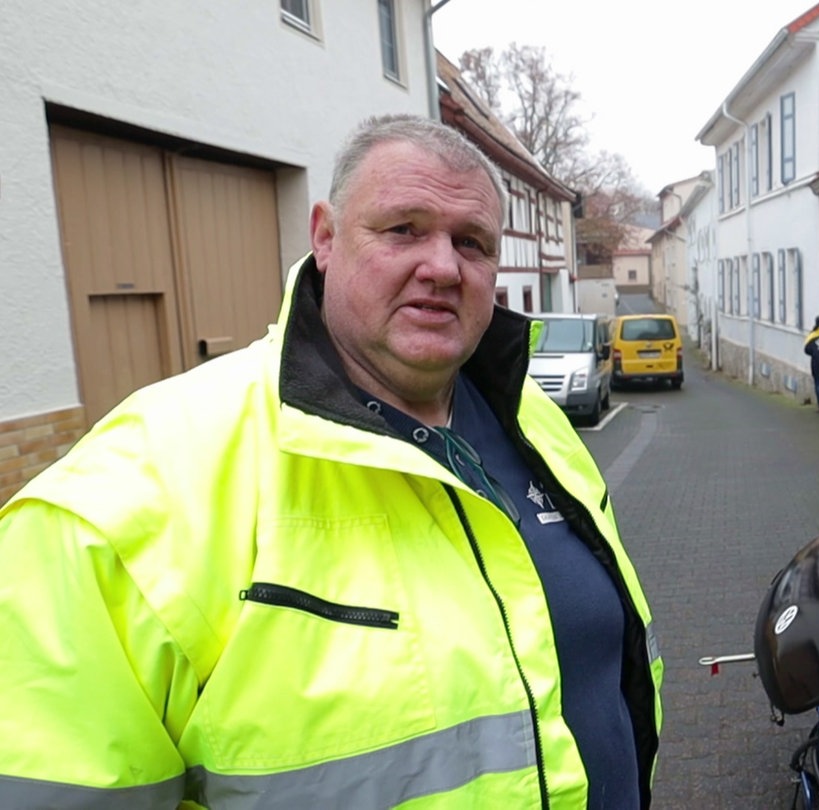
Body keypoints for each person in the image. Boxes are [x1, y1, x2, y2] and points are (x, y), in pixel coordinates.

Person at [0, 114, 662, 809]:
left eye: (471, 242)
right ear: (325, 236)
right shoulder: (133, 489)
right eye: (403, 228)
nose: (441, 266)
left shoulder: (536, 422)